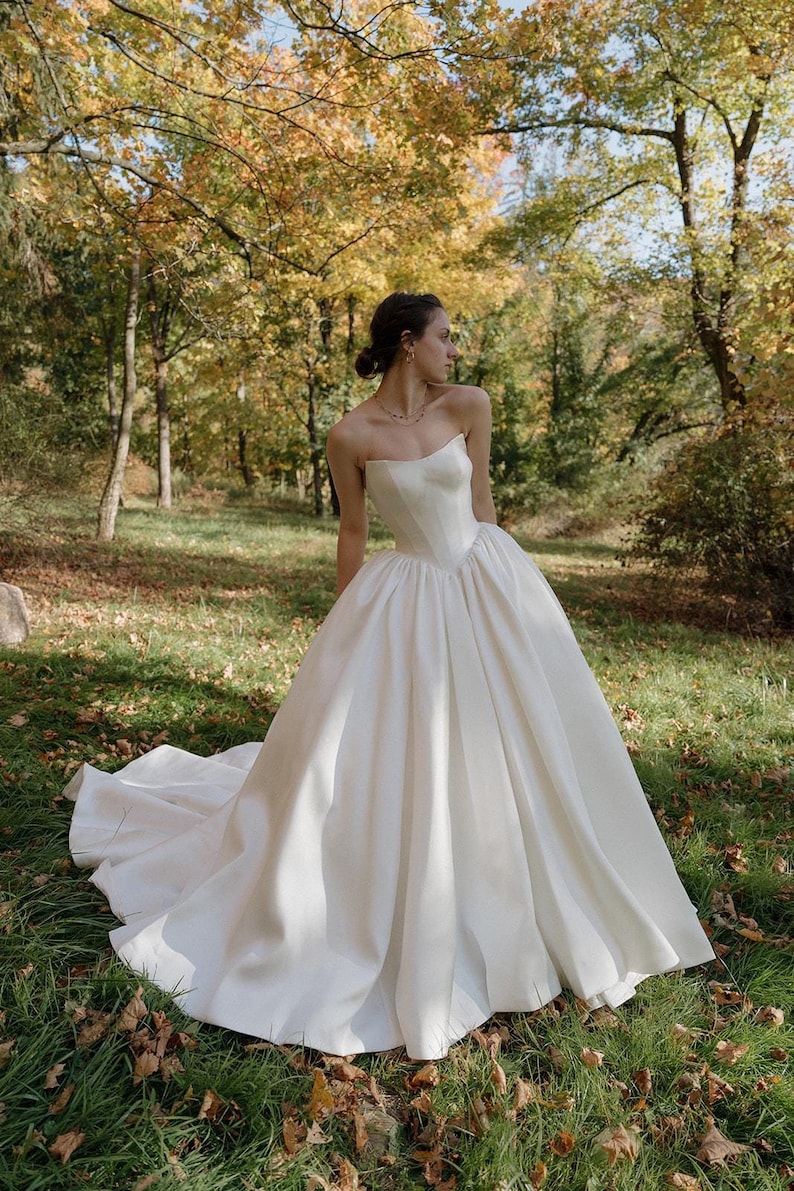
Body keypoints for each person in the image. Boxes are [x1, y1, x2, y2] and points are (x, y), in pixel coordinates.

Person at [67, 291, 715, 1062]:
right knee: (395, 756)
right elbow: (354, 531)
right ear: (408, 342)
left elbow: (482, 504)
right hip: (403, 593)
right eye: (445, 336)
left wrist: (509, 601)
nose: (454, 348)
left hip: (483, 581)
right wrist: (348, 630)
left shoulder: (469, 405)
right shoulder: (351, 434)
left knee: (519, 740)